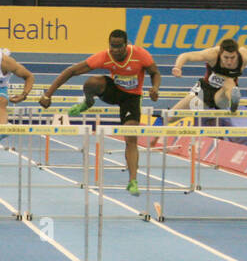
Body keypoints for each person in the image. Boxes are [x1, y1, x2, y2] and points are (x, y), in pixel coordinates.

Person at [38, 29, 160, 195]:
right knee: (91, 83)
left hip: (131, 99)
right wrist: (48, 94)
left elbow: (155, 72)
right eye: (112, 46)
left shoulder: (140, 55)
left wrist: (155, 88)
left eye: (119, 47)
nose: (115, 50)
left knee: (131, 137)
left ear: (126, 45)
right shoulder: (105, 56)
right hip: (113, 91)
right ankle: (88, 102)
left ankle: (133, 181)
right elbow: (71, 71)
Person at [167, 37, 247, 115]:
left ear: (237, 54)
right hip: (205, 90)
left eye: (233, 58)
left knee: (229, 82)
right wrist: (178, 67)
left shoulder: (244, 55)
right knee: (170, 116)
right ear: (220, 54)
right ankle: (155, 137)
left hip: (223, 96)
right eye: (226, 57)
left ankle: (233, 103)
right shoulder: (212, 54)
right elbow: (186, 55)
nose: (229, 61)